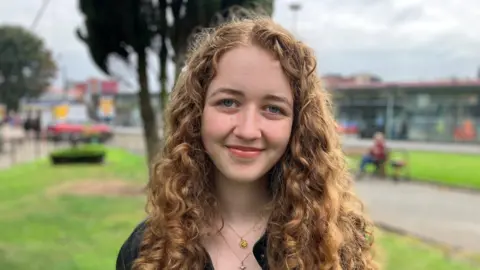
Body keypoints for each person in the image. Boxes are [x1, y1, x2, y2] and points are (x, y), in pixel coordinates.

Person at [116, 17, 377, 270]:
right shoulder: (146, 250)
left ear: (298, 125)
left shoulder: (337, 245)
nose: (248, 130)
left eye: (273, 108)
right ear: (196, 113)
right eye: (228, 102)